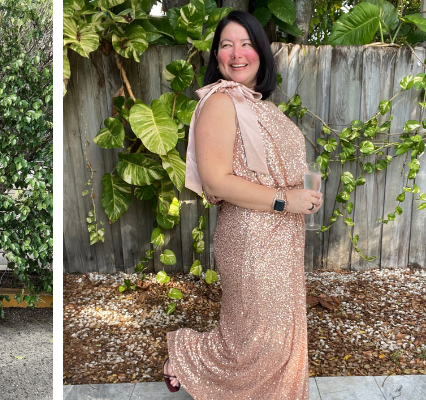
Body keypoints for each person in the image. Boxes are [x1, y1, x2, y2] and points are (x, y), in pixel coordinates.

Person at [163, 10, 323, 399]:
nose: (237, 53)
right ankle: (185, 357)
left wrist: (301, 195)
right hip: (250, 237)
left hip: (283, 235)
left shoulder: (263, 107)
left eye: (246, 43)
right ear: (216, 56)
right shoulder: (220, 102)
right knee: (259, 339)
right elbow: (217, 181)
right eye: (226, 45)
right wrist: (286, 199)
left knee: (271, 332)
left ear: (261, 52)